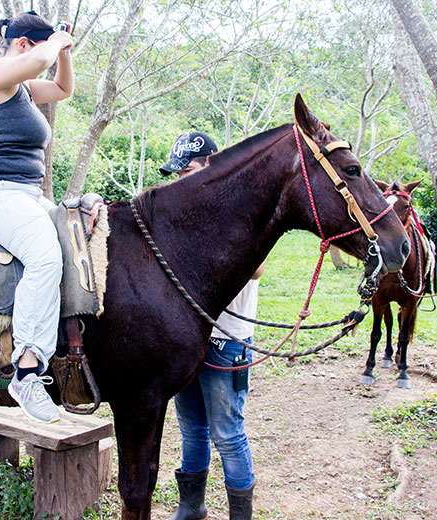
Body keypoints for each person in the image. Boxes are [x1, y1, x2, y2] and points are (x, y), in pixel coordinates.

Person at [0, 11, 74, 424]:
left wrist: (65, 49)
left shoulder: (25, 88)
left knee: (80, 232)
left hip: (27, 194)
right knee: (45, 258)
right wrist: (55, 44)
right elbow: (39, 62)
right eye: (40, 46)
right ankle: (27, 372)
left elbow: (63, 88)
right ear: (24, 45)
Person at [160, 132, 264, 520]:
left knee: (228, 434)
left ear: (211, 164)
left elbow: (255, 269)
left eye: (188, 171)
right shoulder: (181, 210)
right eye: (176, 174)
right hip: (187, 340)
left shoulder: (240, 208)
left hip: (226, 340)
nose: (181, 181)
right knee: (191, 429)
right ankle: (192, 506)